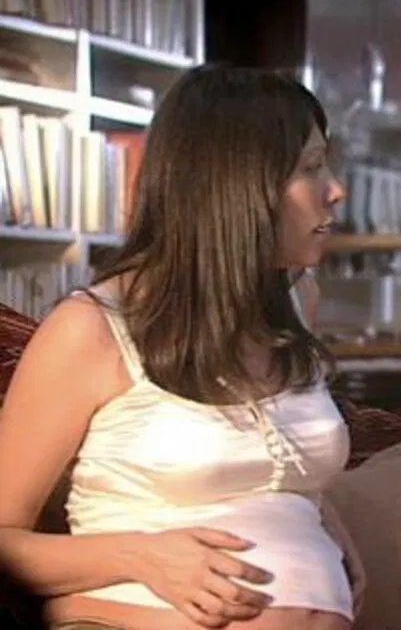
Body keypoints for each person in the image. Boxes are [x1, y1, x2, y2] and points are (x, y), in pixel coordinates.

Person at [0, 66, 360, 630]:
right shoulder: (91, 329)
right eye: (311, 168)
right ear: (237, 185)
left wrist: (318, 525)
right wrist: (139, 555)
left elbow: (269, 468)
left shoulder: (296, 302)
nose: (335, 190)